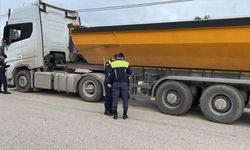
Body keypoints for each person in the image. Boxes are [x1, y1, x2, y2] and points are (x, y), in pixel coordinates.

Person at [107, 53, 132, 119]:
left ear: (116, 58)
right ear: (122, 57)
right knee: (125, 99)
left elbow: (110, 75)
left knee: (115, 99)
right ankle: (124, 115)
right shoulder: (126, 63)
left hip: (116, 84)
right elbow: (130, 73)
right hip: (124, 84)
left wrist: (109, 82)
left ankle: (115, 114)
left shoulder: (113, 64)